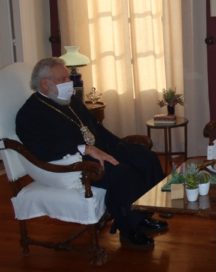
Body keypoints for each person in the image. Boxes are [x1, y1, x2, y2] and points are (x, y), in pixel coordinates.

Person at [16, 57, 168, 250]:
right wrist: (84, 148)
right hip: (75, 161)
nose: (69, 83)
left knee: (145, 157)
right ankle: (130, 229)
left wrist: (120, 145)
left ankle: (145, 214)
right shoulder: (29, 114)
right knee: (122, 172)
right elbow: (42, 149)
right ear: (45, 84)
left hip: (100, 149)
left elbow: (96, 128)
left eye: (68, 78)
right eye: (63, 79)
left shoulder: (70, 101)